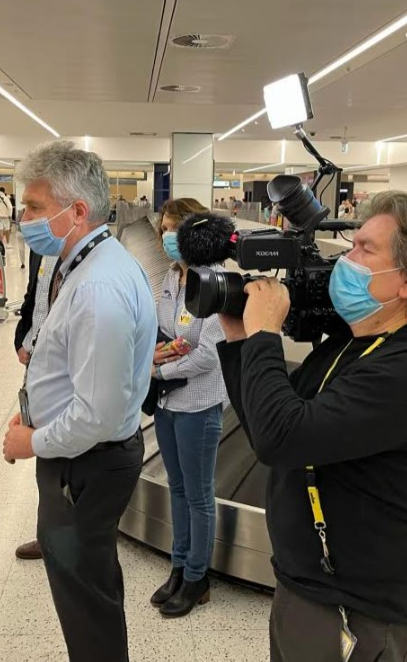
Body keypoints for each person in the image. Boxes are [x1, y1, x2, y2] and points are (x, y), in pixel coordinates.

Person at [216, 191, 407, 662]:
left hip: (361, 610)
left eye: (364, 250)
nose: (345, 261)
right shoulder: (349, 347)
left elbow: (282, 435)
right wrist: (238, 342)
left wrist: (266, 334)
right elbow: (268, 434)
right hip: (307, 584)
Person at [2, 141, 156, 662]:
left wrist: (32, 440)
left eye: (35, 208)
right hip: (76, 453)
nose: (24, 218)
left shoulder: (99, 287)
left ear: (78, 211)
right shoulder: (77, 262)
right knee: (89, 580)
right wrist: (33, 411)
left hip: (85, 462)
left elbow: (100, 413)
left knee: (83, 594)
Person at [149, 201, 228, 617]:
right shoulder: (170, 277)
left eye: (176, 227)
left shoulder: (216, 279)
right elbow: (164, 330)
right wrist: (159, 354)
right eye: (164, 227)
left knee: (198, 495)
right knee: (177, 488)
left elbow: (209, 355)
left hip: (198, 402)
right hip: (167, 402)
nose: (168, 236)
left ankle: (198, 577)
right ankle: (178, 565)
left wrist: (159, 369)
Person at [11, 246, 62, 561]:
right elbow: (34, 295)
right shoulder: (40, 249)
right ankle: (48, 533)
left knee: (59, 449)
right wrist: (22, 339)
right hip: (36, 357)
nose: (28, 219)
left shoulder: (81, 256)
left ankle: (62, 534)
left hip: (60, 363)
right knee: (43, 449)